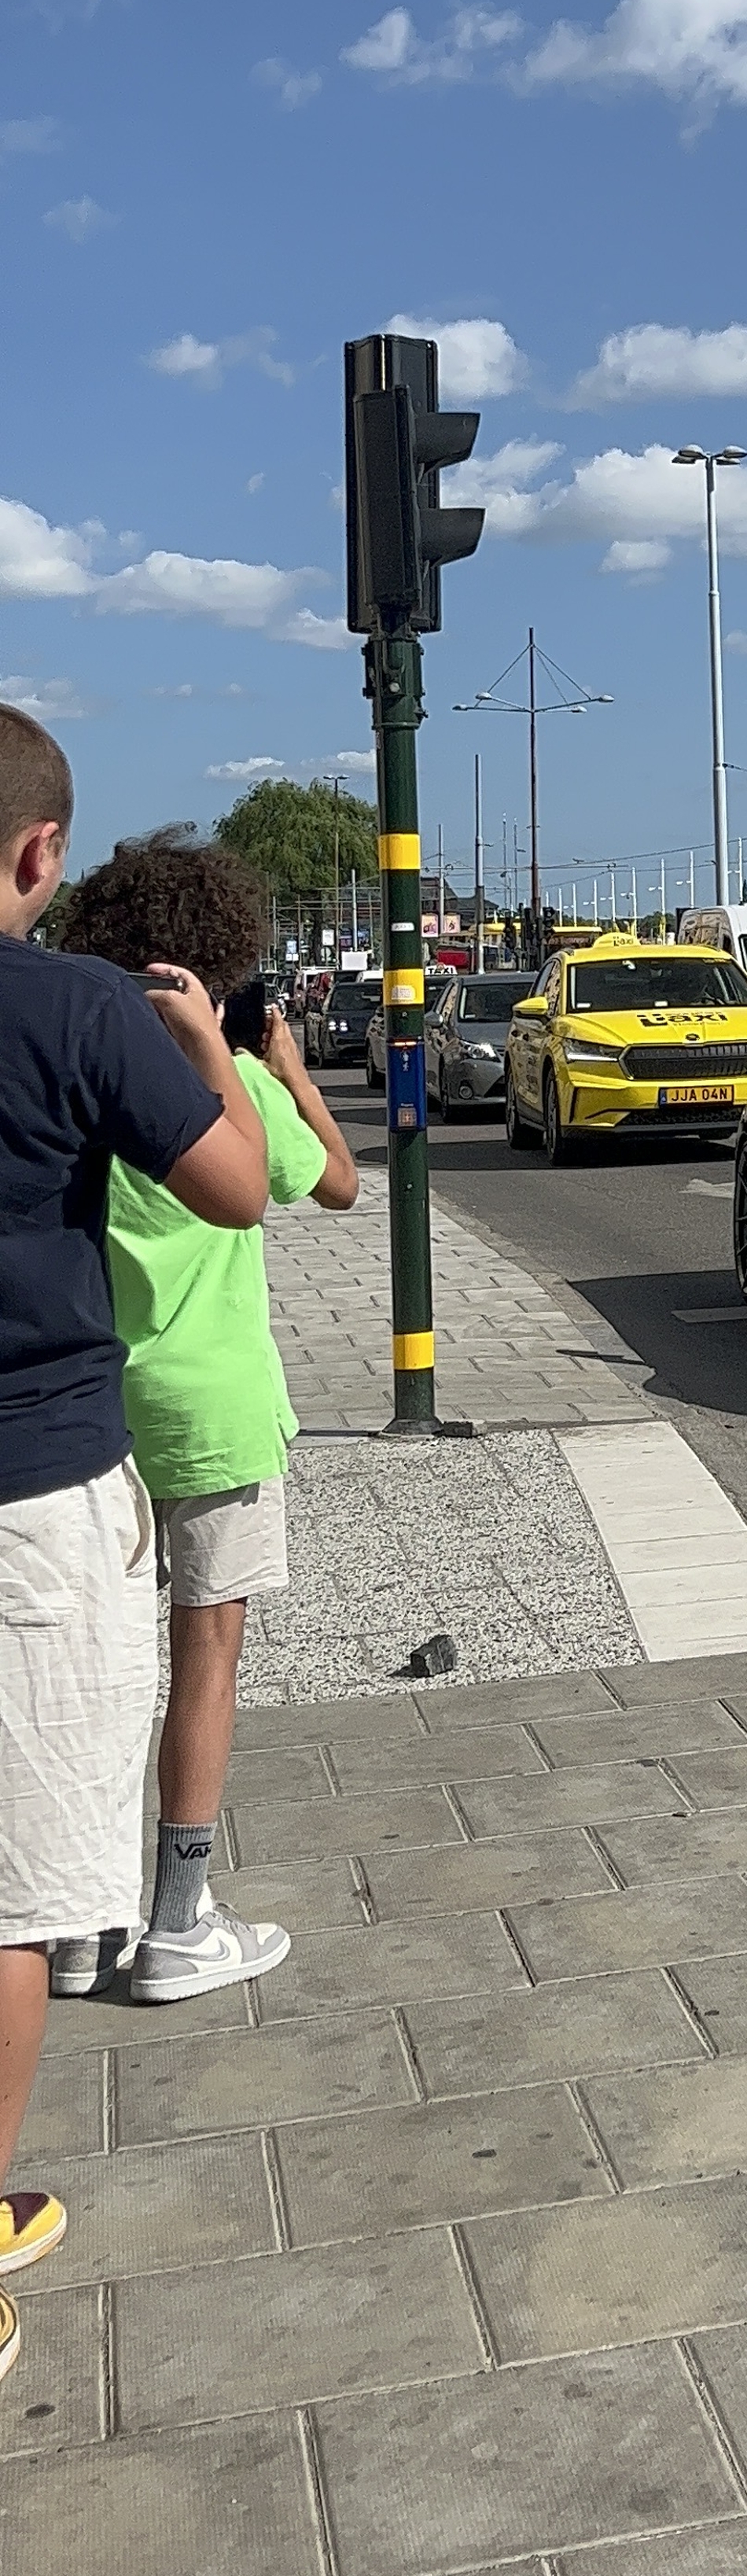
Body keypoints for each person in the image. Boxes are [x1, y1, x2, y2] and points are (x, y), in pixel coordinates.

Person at [0, 709, 267, 2390]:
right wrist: (210, 1045)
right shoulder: (80, 1009)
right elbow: (243, 1185)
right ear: (39, 853)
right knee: (14, 1884)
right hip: (29, 1481)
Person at [57, 838, 359, 2004]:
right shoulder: (211, 1081)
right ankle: (180, 1918)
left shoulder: (78, 1073)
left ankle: (72, 1917)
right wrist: (274, 1060)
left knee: (94, 1669)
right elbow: (330, 1180)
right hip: (217, 1415)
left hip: (91, 1411)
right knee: (204, 1663)